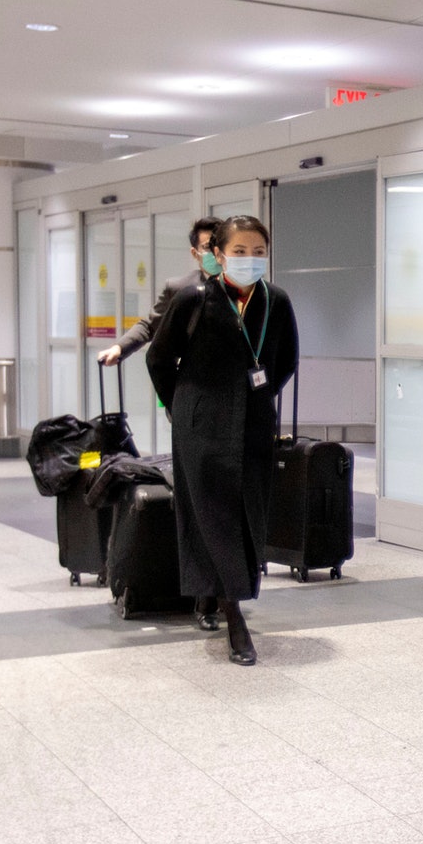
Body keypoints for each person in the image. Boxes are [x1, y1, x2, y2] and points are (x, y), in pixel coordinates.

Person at [145, 215, 298, 666]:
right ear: (218, 255)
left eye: (258, 252)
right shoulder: (193, 299)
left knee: (246, 509)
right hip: (201, 424)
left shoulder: (277, 301)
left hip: (253, 421)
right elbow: (159, 357)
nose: (250, 261)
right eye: (239, 252)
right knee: (211, 512)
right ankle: (235, 616)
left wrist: (261, 394)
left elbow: (286, 360)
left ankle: (210, 594)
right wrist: (180, 405)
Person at [99, 217, 222, 365]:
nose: (216, 252)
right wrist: (119, 348)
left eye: (221, 245)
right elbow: (149, 326)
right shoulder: (180, 288)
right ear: (195, 253)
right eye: (208, 247)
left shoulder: (246, 286)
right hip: (196, 377)